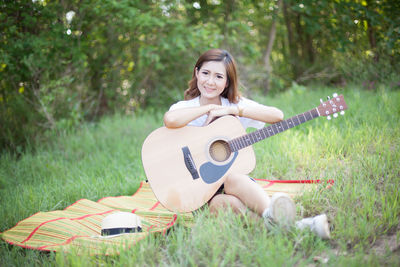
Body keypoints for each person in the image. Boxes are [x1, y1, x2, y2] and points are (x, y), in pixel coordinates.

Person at [163, 49, 330, 238]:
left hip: (230, 182)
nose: (210, 81)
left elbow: (277, 115)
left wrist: (235, 110)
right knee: (220, 205)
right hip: (198, 192)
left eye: (219, 76)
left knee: (233, 178)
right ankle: (297, 227)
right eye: (205, 73)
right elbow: (170, 120)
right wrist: (211, 107)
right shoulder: (185, 108)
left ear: (227, 82)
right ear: (196, 73)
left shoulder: (234, 105)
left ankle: (275, 219)